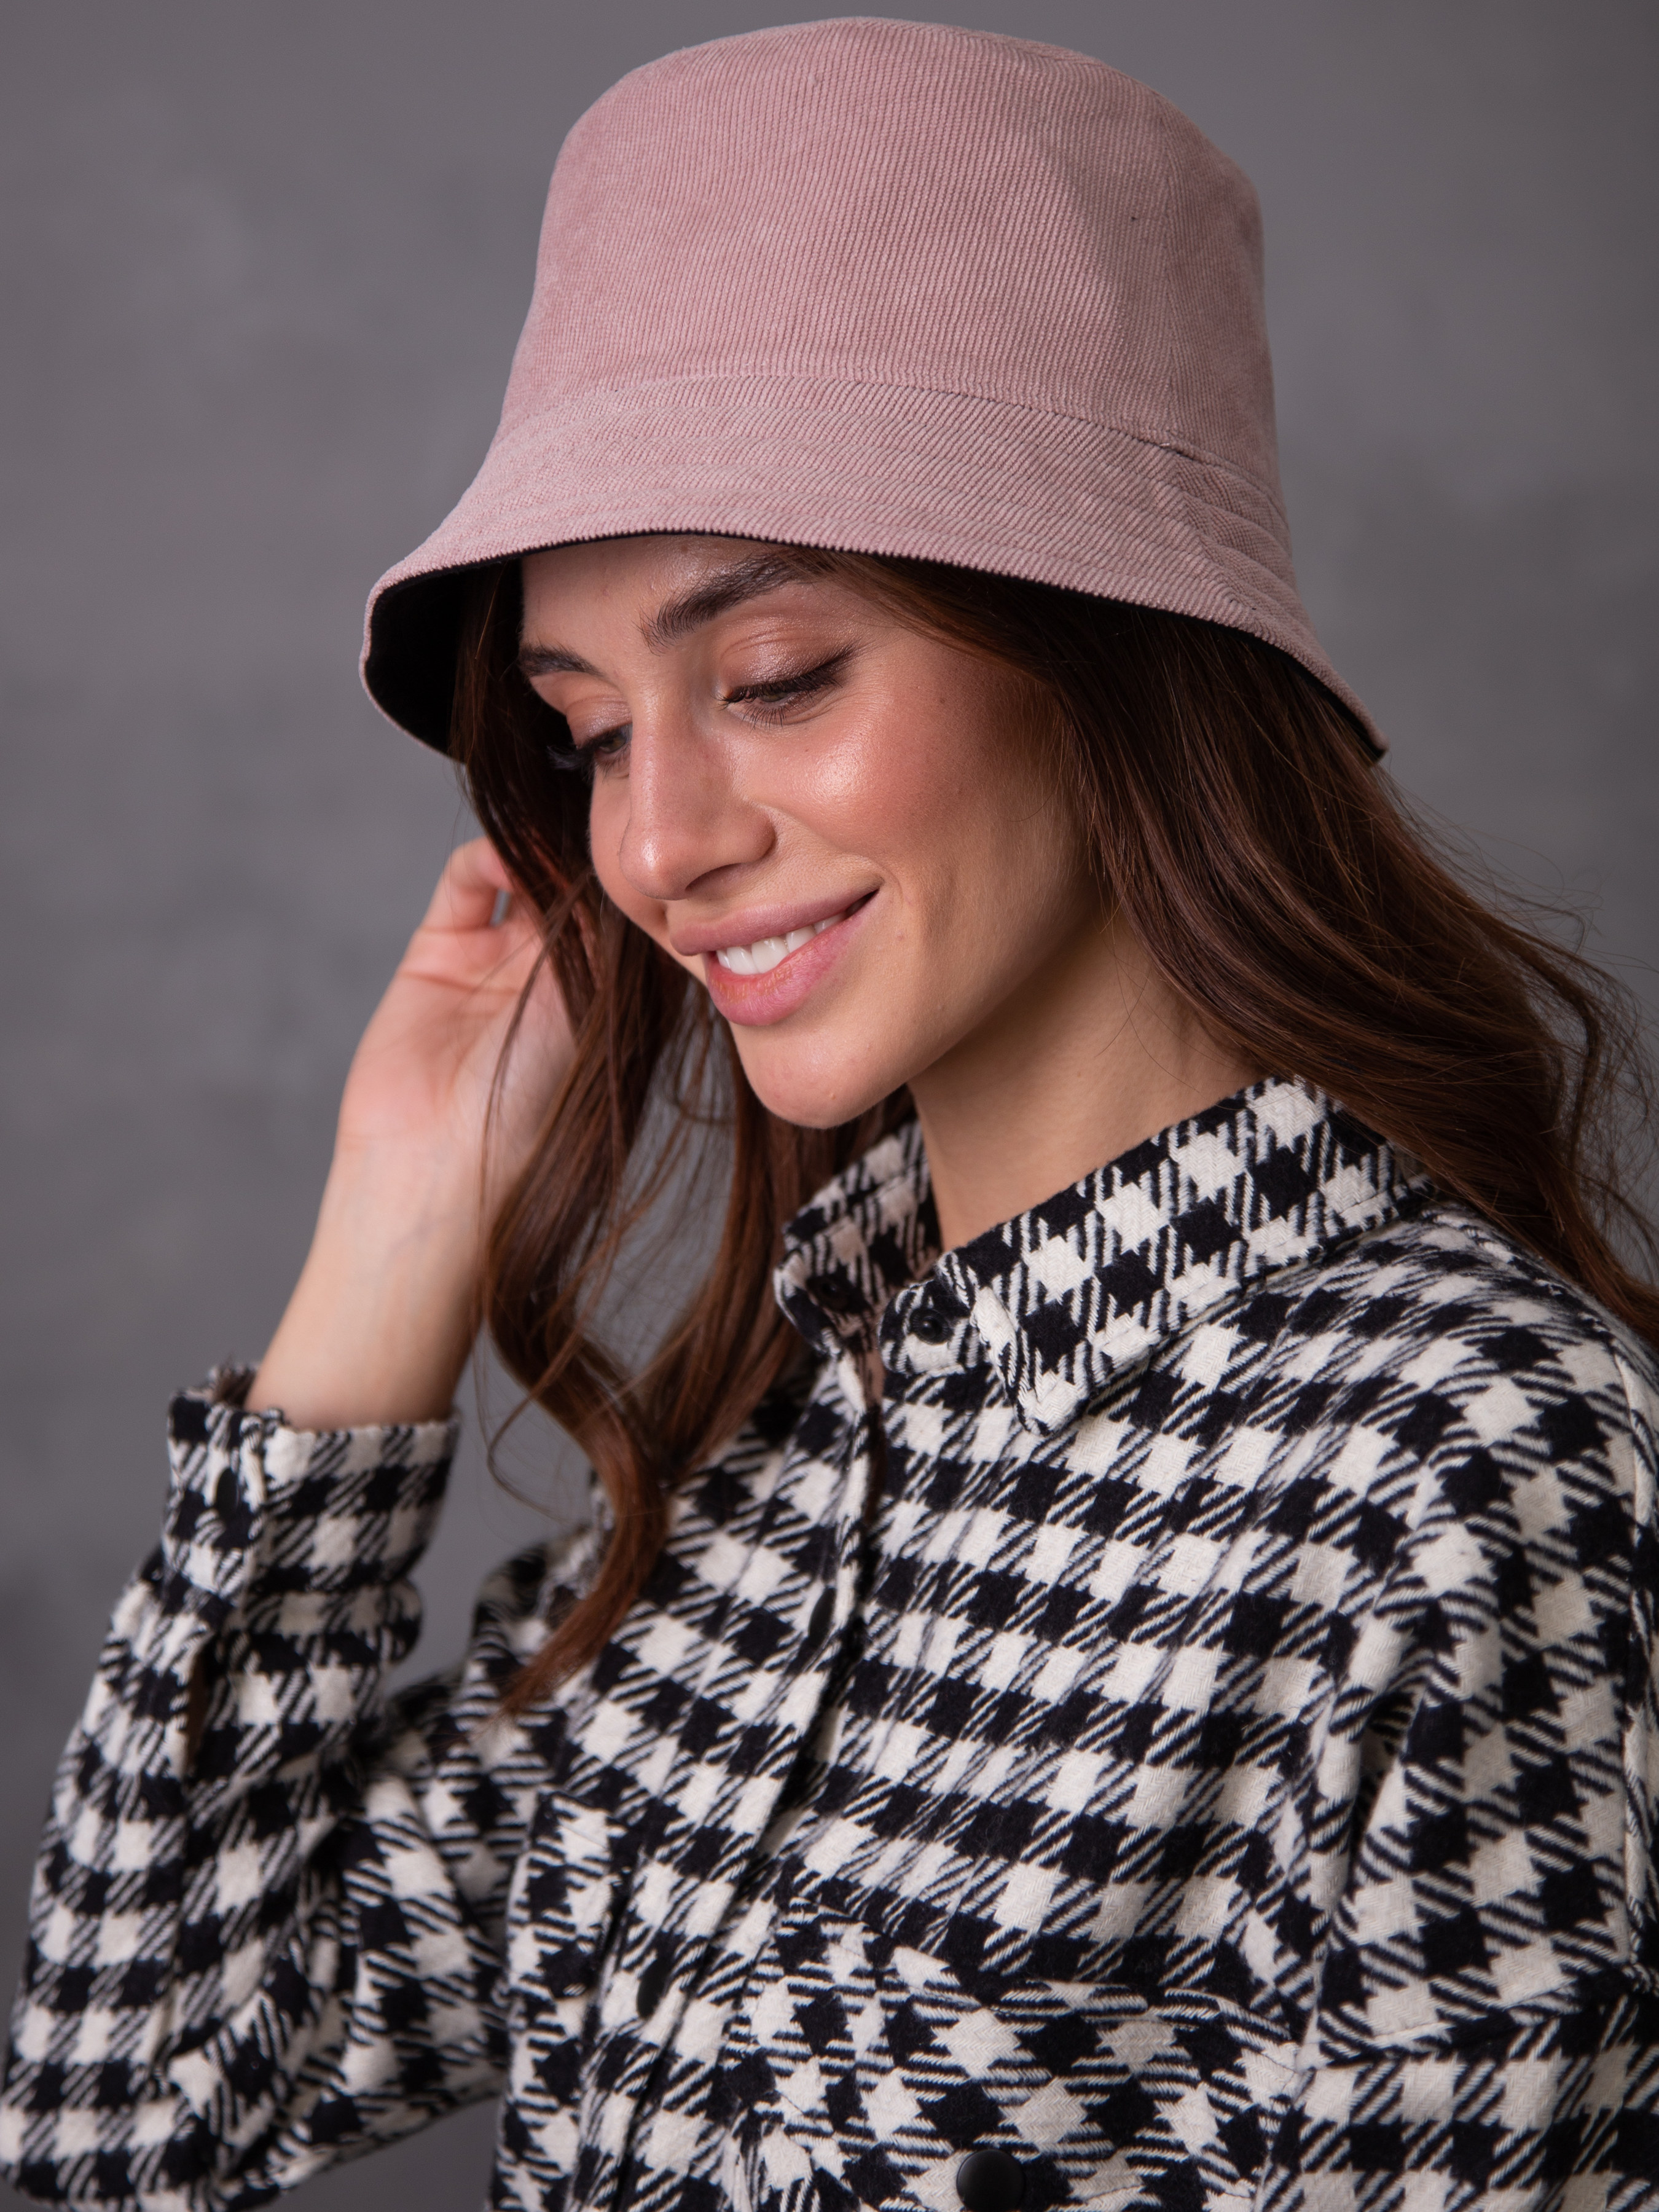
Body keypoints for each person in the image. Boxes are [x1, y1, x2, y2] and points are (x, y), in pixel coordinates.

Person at [4, 17, 1658, 2211]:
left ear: (1113, 650)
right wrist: (404, 1217)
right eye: (591, 732)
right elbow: (130, 2107)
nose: (654, 843)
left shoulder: (1468, 1471)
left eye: (776, 679)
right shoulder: (768, 1462)